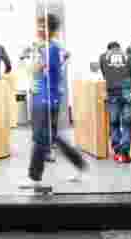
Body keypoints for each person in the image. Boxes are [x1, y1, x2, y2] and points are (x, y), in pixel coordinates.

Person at [20, 12, 88, 190]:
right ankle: (80, 164)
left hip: (46, 99)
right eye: (39, 26)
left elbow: (34, 70)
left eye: (43, 26)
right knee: (51, 137)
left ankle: (34, 178)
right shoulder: (51, 48)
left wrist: (27, 57)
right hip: (44, 96)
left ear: (51, 30)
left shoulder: (49, 49)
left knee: (41, 138)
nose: (40, 29)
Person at [100, 41, 131, 162]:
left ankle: (117, 151)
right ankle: (125, 153)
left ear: (108, 49)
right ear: (119, 48)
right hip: (127, 91)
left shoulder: (103, 57)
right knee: (127, 122)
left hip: (113, 92)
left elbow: (105, 75)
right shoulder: (129, 57)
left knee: (114, 122)